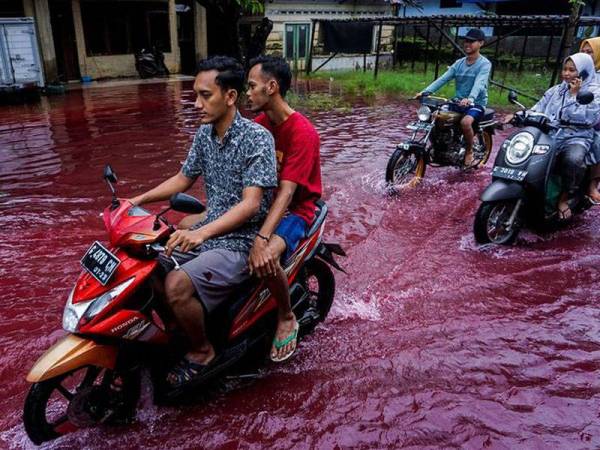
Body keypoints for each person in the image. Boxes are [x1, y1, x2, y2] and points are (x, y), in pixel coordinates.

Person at [129, 56, 277, 388]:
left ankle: (202, 350)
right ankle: (185, 328)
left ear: (230, 96)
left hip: (242, 240)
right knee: (148, 268)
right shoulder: (204, 134)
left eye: (205, 95)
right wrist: (136, 201)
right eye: (195, 95)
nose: (197, 104)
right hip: (208, 230)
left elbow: (252, 205)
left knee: (176, 285)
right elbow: (182, 179)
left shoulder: (257, 139)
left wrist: (201, 232)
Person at [245, 55, 322, 362]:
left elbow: (288, 193)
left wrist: (263, 239)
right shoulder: (260, 125)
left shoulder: (303, 132)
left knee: (265, 258)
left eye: (252, 86)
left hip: (296, 210)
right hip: (265, 203)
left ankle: (286, 314)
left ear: (272, 87)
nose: (247, 93)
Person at [525, 53, 600, 220]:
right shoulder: (556, 90)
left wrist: (575, 95)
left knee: (573, 159)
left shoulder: (594, 92)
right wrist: (521, 114)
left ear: (584, 72)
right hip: (552, 134)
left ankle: (564, 198)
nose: (566, 73)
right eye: (565, 69)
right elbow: (539, 107)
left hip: (577, 136)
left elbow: (589, 118)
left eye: (572, 70)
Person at [416, 28, 492, 168]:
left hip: (476, 103)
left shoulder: (484, 64)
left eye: (471, 41)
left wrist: (471, 98)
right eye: (466, 41)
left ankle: (469, 151)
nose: (467, 44)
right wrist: (425, 92)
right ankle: (440, 147)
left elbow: (480, 83)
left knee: (465, 122)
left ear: (481, 43)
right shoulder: (459, 63)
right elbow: (443, 79)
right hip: (458, 101)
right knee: (435, 116)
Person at [579, 37, 600, 203]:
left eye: (590, 52)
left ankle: (592, 184)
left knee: (598, 143)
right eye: (583, 52)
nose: (586, 55)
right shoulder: (576, 71)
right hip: (574, 119)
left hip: (596, 122)